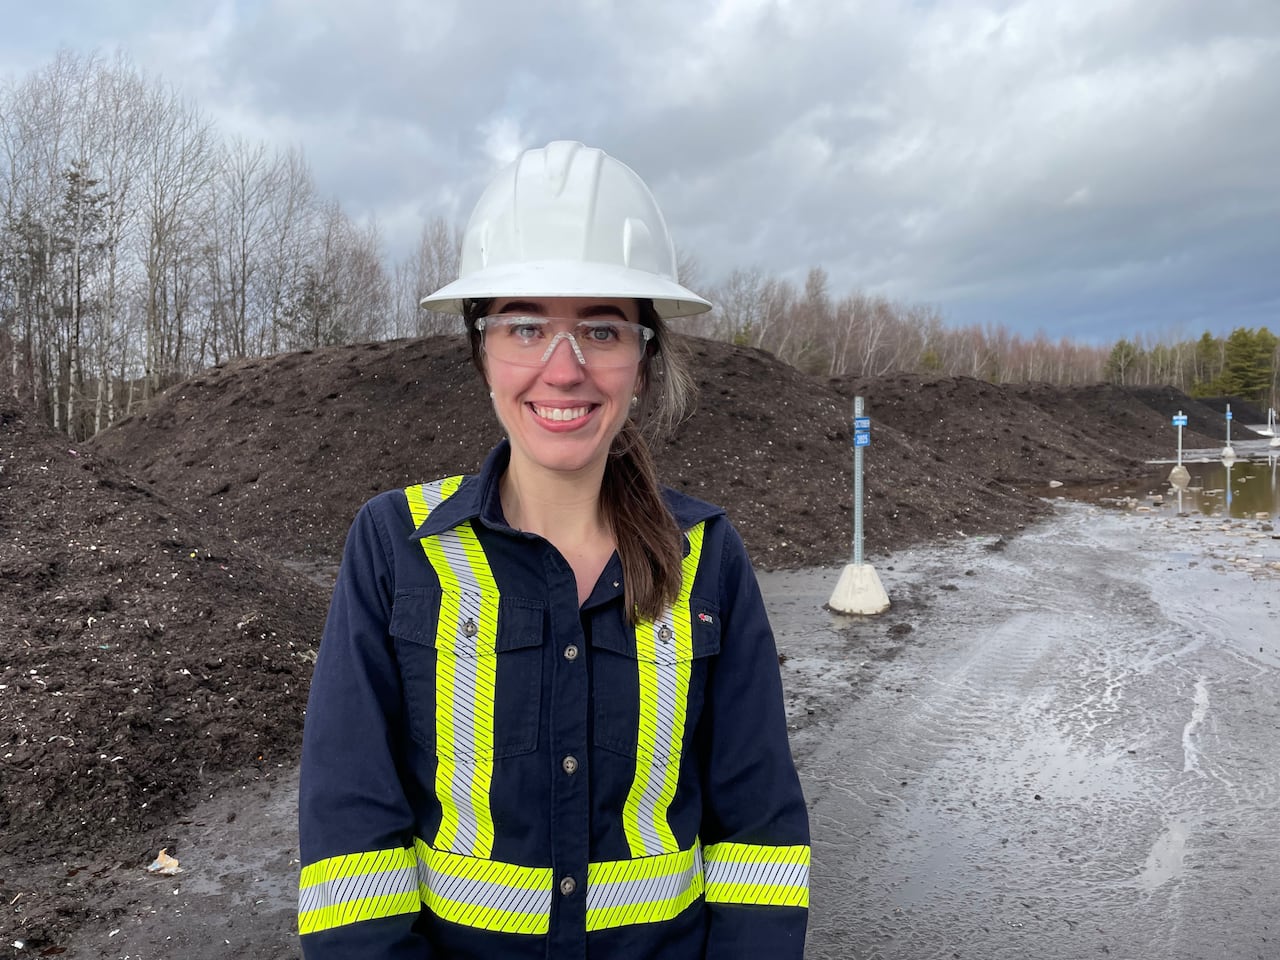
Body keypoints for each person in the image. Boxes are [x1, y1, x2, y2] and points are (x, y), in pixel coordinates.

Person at [297, 140, 810, 959]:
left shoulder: (706, 558)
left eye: (602, 330)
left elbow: (759, 843)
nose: (563, 370)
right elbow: (350, 843)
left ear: (643, 361)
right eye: (526, 326)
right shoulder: (397, 547)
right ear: (480, 351)